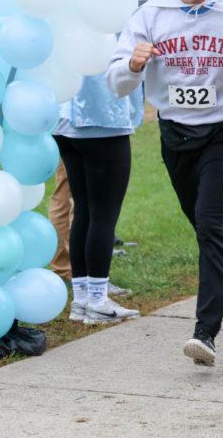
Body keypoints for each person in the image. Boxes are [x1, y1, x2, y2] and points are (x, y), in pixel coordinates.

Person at [107, 0, 223, 367]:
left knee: (209, 224)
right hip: (175, 131)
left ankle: (205, 332)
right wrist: (132, 65)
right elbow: (116, 81)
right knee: (199, 218)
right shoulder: (152, 13)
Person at [56, 74, 143, 324]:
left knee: (84, 210)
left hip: (64, 120)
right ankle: (97, 301)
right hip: (103, 118)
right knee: (103, 215)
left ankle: (82, 300)